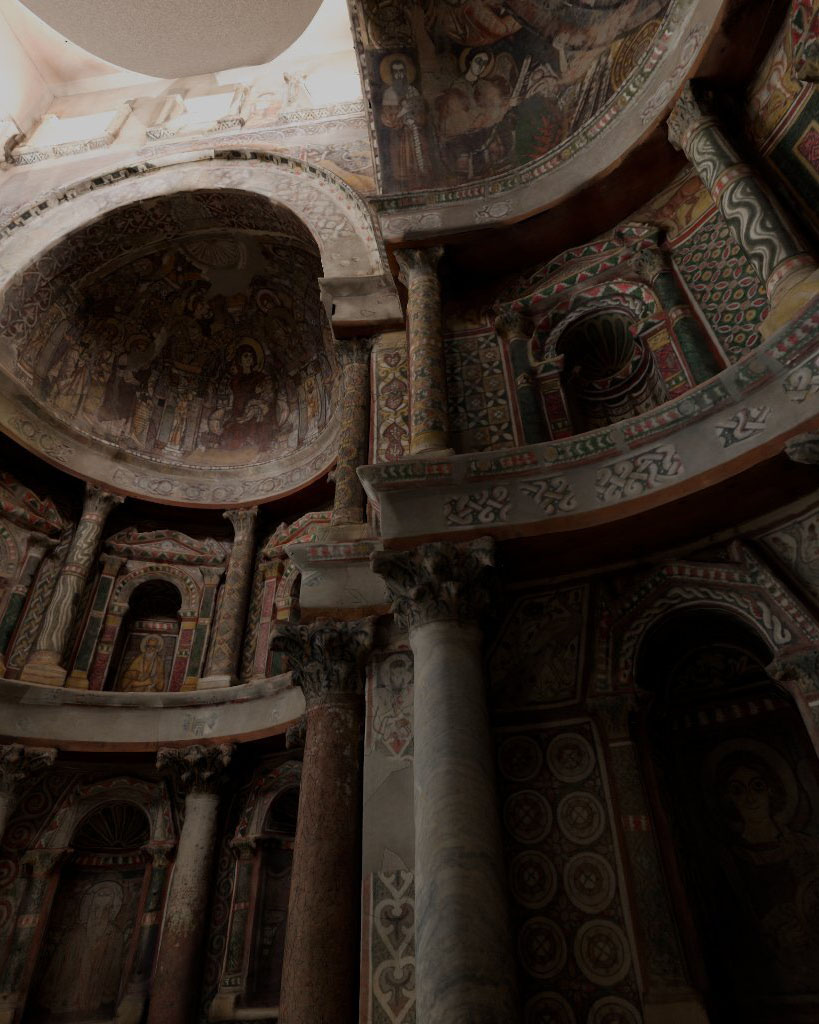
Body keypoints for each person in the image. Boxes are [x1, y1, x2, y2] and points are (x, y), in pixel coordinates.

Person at [380, 56, 433, 189]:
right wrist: (403, 112)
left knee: (421, 159)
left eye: (401, 71)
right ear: (392, 74)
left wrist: (415, 119)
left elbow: (422, 112)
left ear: (405, 72)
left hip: (415, 131)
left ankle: (423, 184)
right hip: (400, 136)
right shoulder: (388, 94)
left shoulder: (413, 90)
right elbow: (387, 119)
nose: (399, 75)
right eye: (395, 72)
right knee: (404, 162)